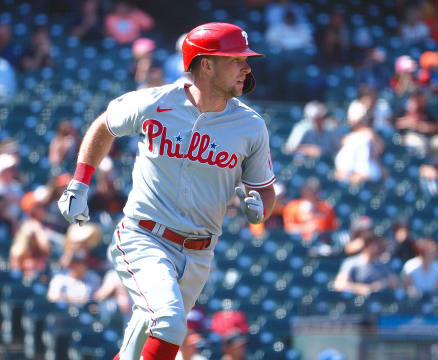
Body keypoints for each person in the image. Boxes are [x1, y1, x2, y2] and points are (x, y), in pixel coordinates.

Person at [57, 22, 276, 360]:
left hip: (199, 254)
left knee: (137, 350)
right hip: (145, 237)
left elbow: (264, 190)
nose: (247, 66)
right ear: (206, 64)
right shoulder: (156, 101)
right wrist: (79, 182)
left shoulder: (251, 126)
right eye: (236, 59)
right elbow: (105, 124)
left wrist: (260, 207)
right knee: (171, 324)